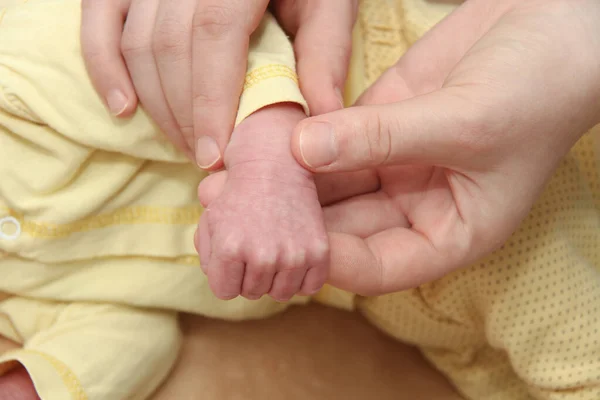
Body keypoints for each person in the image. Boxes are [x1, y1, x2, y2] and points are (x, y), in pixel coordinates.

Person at [84, 0, 600, 399]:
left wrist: (268, 170)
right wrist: (46, 375)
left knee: (572, 348)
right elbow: (122, 329)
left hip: (412, 89)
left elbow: (237, 36)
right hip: (389, 265)